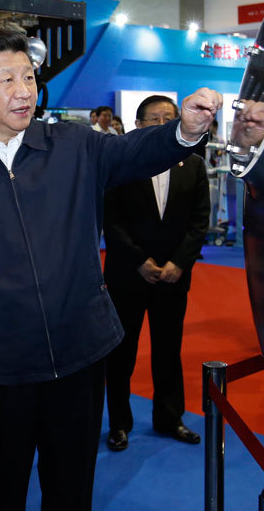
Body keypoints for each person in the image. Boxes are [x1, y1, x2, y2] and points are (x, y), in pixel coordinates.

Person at [0, 29, 221, 510]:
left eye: (29, 77)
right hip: (0, 363)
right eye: (7, 79)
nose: (24, 90)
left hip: (80, 353)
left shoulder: (75, 145)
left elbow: (138, 152)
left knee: (72, 486)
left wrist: (184, 130)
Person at [102, 95, 211, 451]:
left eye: (169, 118)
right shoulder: (119, 165)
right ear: (138, 125)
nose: (163, 124)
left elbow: (199, 221)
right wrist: (140, 261)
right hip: (128, 274)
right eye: (154, 119)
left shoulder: (193, 165)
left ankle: (169, 418)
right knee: (121, 353)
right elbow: (111, 221)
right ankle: (119, 424)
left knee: (168, 350)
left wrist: (179, 263)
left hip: (173, 277)